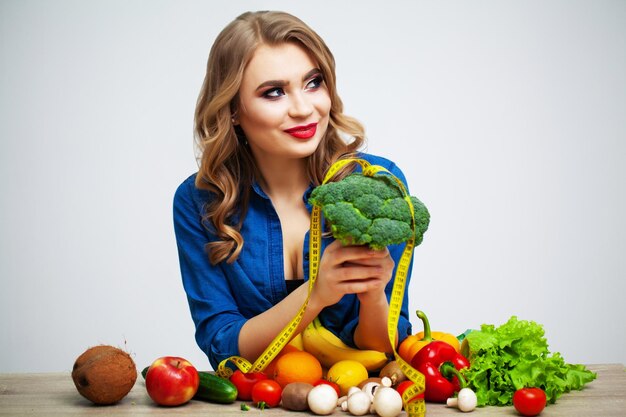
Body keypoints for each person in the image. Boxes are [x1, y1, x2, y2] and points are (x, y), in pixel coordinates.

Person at [173, 10, 415, 370]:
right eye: (274, 92)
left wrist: (374, 298)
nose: (304, 109)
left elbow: (385, 350)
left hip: (356, 398)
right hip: (261, 402)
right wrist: (313, 295)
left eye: (313, 82)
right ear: (234, 109)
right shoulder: (200, 202)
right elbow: (222, 346)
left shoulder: (375, 183)